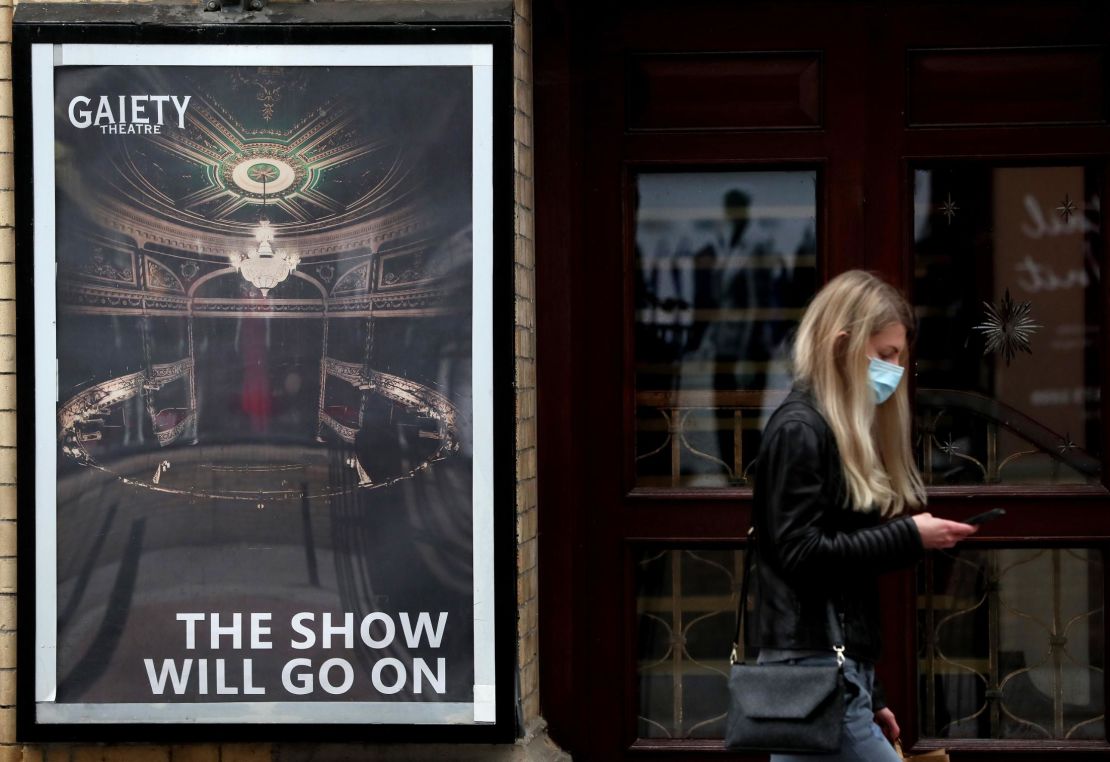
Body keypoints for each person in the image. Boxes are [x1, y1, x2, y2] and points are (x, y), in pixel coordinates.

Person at [748, 270, 977, 761]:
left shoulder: (829, 429)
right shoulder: (801, 430)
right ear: (842, 345)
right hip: (812, 671)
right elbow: (800, 554)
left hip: (826, 673)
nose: (894, 369)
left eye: (899, 356)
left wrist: (870, 694)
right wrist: (908, 537)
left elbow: (838, 580)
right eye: (886, 354)